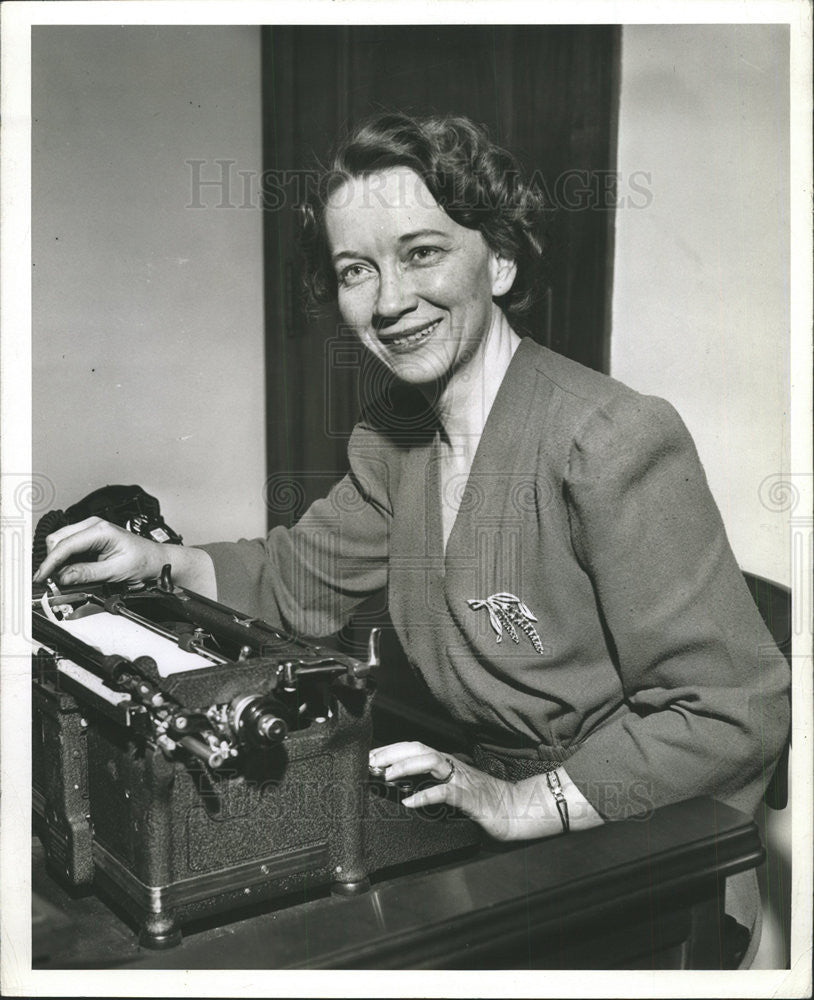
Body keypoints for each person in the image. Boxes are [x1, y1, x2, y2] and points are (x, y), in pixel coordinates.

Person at [34, 112, 790, 954]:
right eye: (357, 270)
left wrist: (525, 803)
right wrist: (158, 561)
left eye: (421, 253)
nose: (390, 301)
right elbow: (298, 578)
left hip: (643, 856)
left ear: (499, 260)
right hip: (485, 814)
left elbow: (735, 708)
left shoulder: (611, 440)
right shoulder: (396, 435)